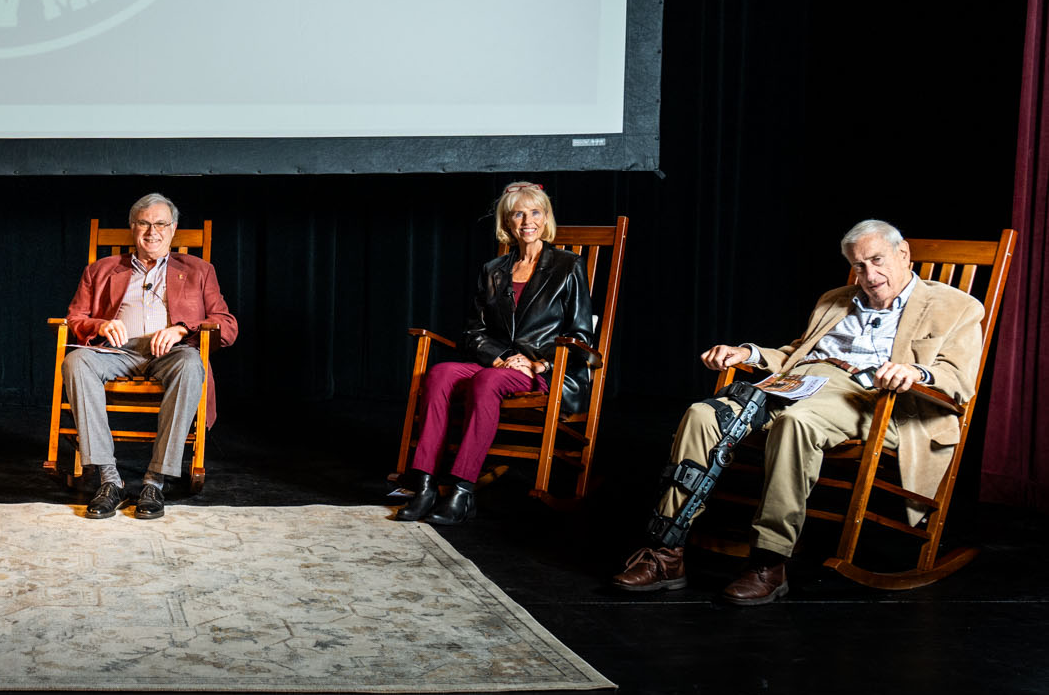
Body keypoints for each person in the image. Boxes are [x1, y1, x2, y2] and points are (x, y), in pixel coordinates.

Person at [613, 219, 985, 605]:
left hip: (871, 399)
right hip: (801, 383)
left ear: (903, 253)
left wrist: (913, 371)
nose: (869, 275)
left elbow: (959, 380)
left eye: (877, 260)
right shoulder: (834, 299)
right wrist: (750, 354)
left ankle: (768, 561)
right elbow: (797, 354)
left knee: (796, 424)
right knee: (703, 415)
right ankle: (666, 552)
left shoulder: (957, 307)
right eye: (859, 266)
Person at [395, 182, 596, 525]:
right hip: (500, 364)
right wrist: (502, 357)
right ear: (508, 221)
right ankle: (425, 484)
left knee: (487, 381)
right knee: (440, 373)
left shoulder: (568, 265)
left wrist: (538, 362)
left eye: (535, 212)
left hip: (545, 373)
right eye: (518, 213)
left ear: (546, 218)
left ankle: (462, 489)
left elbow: (581, 335)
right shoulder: (494, 269)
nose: (527, 221)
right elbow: (474, 331)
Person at [62, 193, 238, 519]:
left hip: (172, 352)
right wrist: (102, 323)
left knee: (191, 364)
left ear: (172, 229)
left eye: (160, 224)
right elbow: (75, 318)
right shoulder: (100, 270)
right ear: (133, 227)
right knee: (76, 361)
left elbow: (226, 325)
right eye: (144, 223)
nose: (151, 232)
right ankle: (108, 480)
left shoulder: (200, 270)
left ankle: (155, 481)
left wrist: (183, 329)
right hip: (116, 350)